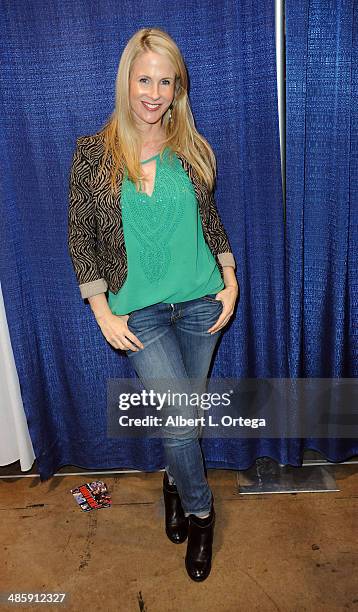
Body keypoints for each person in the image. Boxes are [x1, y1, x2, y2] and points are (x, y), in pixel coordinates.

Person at [68, 27, 239, 582]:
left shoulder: (190, 146)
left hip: (201, 305)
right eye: (145, 78)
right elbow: (81, 238)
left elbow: (209, 222)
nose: (154, 91)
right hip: (138, 312)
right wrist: (102, 312)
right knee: (181, 417)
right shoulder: (93, 153)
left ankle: (173, 481)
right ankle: (201, 512)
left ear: (177, 89)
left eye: (166, 81)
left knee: (179, 422)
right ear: (127, 80)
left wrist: (231, 279)